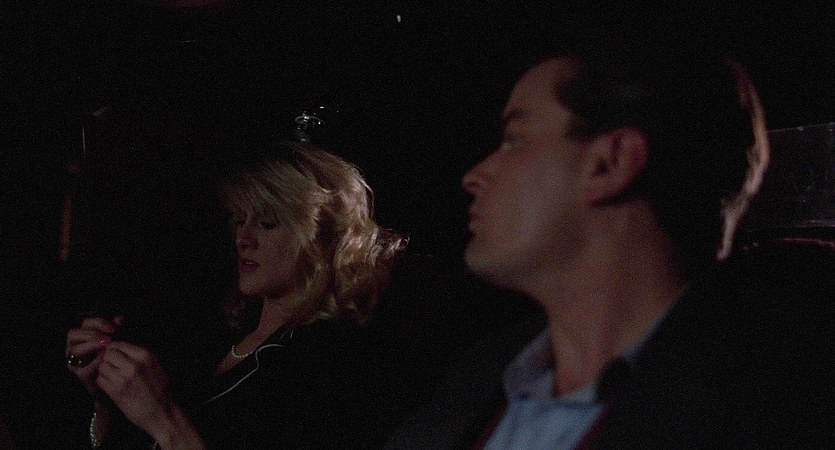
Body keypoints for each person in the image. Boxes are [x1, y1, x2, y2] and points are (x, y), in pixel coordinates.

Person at [387, 33, 834, 448]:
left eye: (514, 139)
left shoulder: (774, 408)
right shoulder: (472, 387)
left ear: (610, 163)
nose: (474, 176)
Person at [65, 141, 408, 448]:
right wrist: (107, 401)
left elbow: (166, 428)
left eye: (267, 223)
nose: (243, 238)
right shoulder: (214, 333)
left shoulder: (325, 367)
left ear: (320, 237)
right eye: (240, 220)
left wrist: (165, 419)